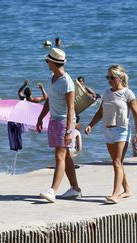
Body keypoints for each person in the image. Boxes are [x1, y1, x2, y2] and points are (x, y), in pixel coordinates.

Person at [85, 64, 137, 204]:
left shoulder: (128, 93)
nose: (109, 80)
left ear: (120, 78)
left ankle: (115, 194)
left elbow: (136, 114)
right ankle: (127, 190)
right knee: (117, 162)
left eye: (112, 77)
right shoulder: (107, 93)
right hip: (107, 130)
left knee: (116, 162)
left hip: (122, 130)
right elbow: (100, 112)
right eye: (107, 77)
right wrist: (90, 124)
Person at [36, 48, 82, 203]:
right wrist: (41, 117)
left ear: (53, 63)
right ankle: (75, 189)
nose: (46, 63)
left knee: (59, 156)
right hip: (54, 120)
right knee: (67, 156)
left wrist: (69, 131)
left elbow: (71, 108)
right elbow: (50, 100)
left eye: (47, 61)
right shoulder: (52, 78)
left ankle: (52, 191)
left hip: (64, 121)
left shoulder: (67, 82)